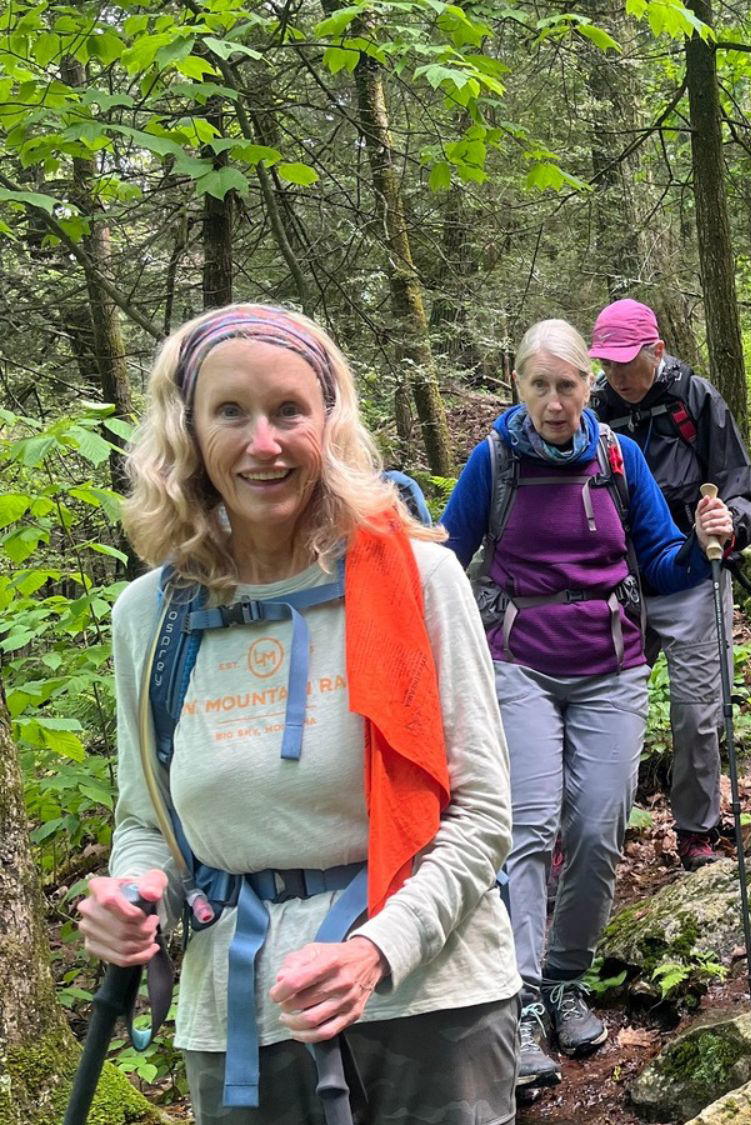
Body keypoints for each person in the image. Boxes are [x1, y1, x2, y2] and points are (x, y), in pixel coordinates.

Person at [78, 303, 522, 1123]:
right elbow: (150, 824)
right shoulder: (152, 616)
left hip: (430, 1000)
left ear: (329, 420)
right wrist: (137, 894)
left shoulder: (418, 580)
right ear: (188, 431)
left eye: (289, 410)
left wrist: (374, 951)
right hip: (242, 1016)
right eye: (231, 412)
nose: (264, 443)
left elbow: (484, 811)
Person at [439, 318, 732, 1091]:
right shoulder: (493, 460)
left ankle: (568, 975)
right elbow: (446, 558)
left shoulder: (618, 458)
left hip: (611, 662)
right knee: (531, 823)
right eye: (541, 384)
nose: (556, 400)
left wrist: (706, 538)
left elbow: (663, 563)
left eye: (569, 384)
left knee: (599, 826)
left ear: (587, 386)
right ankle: (523, 999)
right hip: (520, 662)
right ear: (519, 386)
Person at [588, 298, 751, 871]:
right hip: (622, 586)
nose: (616, 375)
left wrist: (729, 524)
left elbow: (741, 485)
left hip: (693, 578)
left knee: (696, 713)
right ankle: (592, 835)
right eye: (607, 364)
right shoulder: (590, 412)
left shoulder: (696, 401)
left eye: (626, 361)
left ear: (656, 351)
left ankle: (697, 831)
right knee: (605, 711)